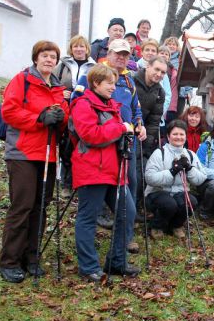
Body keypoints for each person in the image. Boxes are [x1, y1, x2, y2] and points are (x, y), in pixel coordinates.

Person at [0, 40, 69, 283]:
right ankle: (9, 260)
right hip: (23, 153)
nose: (49, 60)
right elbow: (9, 111)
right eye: (45, 55)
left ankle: (32, 257)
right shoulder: (22, 80)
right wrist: (39, 117)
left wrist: (62, 116)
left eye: (53, 57)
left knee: (41, 206)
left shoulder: (58, 88)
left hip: (48, 154)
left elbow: (63, 119)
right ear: (36, 58)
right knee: (23, 205)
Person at [70, 64, 140, 281]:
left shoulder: (113, 106)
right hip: (93, 169)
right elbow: (90, 135)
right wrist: (121, 128)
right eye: (109, 82)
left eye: (115, 82)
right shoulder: (83, 104)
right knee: (88, 217)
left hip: (115, 170)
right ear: (96, 83)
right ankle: (89, 267)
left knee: (127, 212)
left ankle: (117, 262)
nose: (113, 87)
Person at [73, 39, 146, 232]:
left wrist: (139, 124)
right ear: (109, 53)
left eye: (125, 55)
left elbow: (135, 107)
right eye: (118, 53)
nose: (121, 58)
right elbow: (78, 103)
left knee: (129, 185)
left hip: (125, 142)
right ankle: (100, 221)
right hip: (99, 145)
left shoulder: (129, 80)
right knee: (98, 195)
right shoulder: (93, 75)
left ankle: (125, 236)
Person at [144, 120, 207, 239]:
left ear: (185, 136)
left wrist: (189, 168)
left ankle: (176, 225)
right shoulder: (159, 153)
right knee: (169, 204)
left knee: (191, 202)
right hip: (157, 192)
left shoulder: (190, 154)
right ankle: (157, 225)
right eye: (175, 134)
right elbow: (150, 178)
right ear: (168, 136)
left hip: (179, 191)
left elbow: (200, 178)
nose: (178, 137)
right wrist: (172, 171)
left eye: (181, 134)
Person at [53, 35, 96, 195]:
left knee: (80, 145)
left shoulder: (93, 67)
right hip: (66, 109)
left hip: (84, 111)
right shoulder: (62, 66)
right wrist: (60, 93)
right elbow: (52, 84)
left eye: (82, 46)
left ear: (87, 49)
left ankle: (78, 181)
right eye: (76, 46)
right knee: (65, 146)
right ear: (71, 49)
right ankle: (65, 183)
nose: (79, 49)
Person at [133, 56, 168, 211]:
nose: (159, 74)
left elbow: (154, 122)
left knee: (142, 172)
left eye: (163, 72)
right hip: (125, 130)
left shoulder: (160, 92)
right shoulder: (131, 81)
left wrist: (145, 147)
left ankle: (136, 206)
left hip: (143, 134)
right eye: (157, 69)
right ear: (147, 66)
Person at [137, 40, 171, 129]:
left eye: (153, 51)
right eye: (147, 50)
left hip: (152, 111)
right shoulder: (133, 73)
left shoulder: (160, 90)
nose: (159, 74)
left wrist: (160, 111)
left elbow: (167, 94)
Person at [158, 46, 179, 127]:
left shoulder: (173, 70)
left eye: (166, 54)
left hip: (170, 103)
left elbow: (169, 92)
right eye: (162, 53)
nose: (164, 55)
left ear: (169, 57)